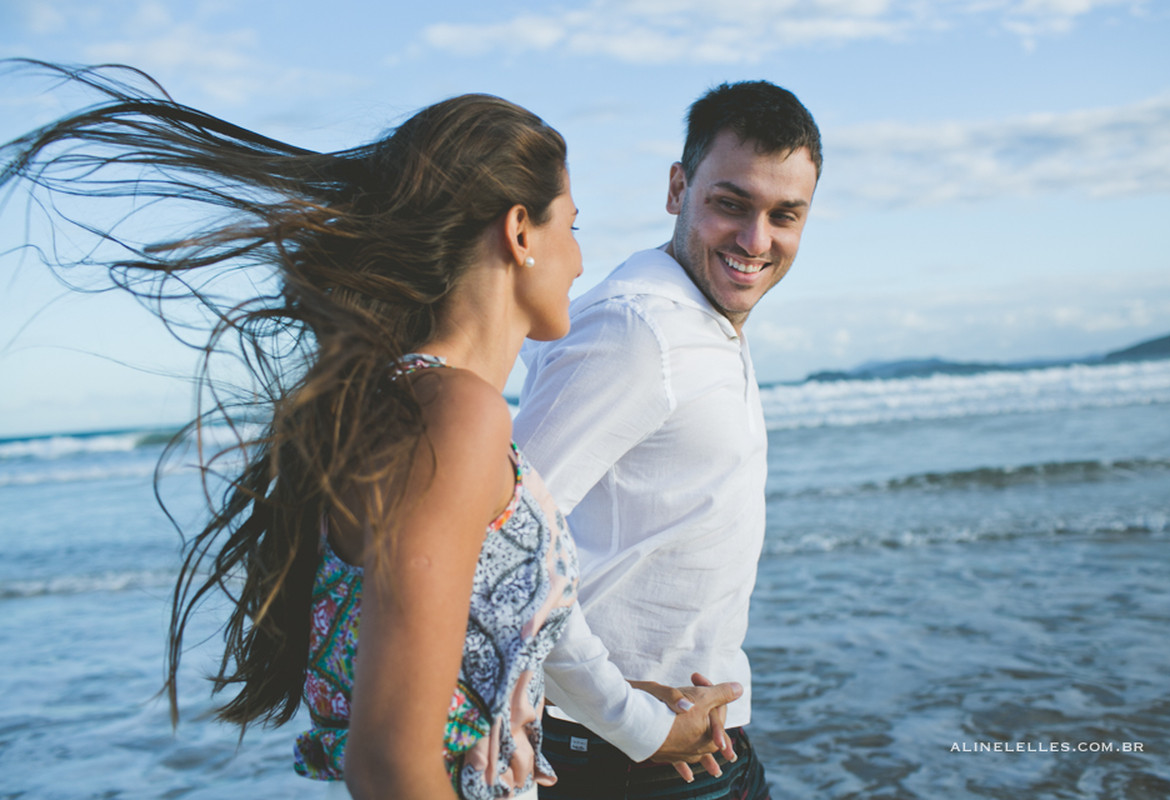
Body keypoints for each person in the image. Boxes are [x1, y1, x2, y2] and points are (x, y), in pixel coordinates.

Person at [1, 61, 738, 800]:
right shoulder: (456, 416)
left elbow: (467, 650)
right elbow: (388, 766)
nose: (581, 260)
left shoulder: (417, 404)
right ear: (521, 231)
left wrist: (633, 711)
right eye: (571, 227)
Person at [514, 80, 823, 799]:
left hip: (685, 748)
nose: (756, 241)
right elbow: (502, 549)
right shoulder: (638, 330)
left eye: (785, 215)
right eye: (731, 204)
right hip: (624, 761)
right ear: (678, 187)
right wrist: (634, 723)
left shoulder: (701, 317)